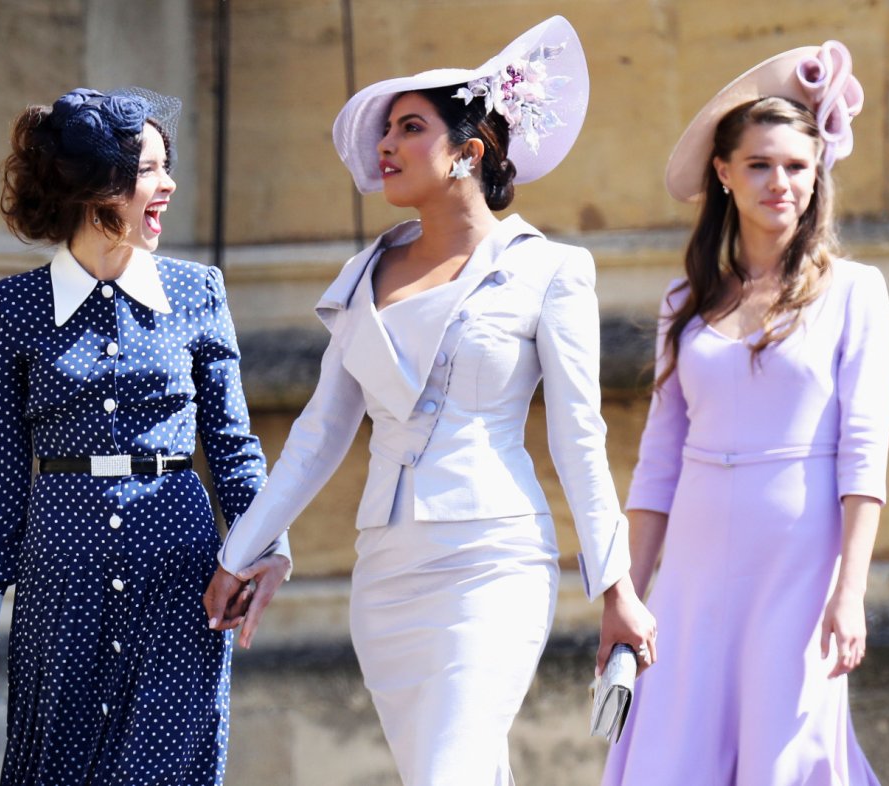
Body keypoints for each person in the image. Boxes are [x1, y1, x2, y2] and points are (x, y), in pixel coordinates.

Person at [203, 16, 655, 786]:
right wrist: (239, 554)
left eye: (409, 127)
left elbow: (581, 438)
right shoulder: (362, 273)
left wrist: (618, 592)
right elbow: (319, 434)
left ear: (467, 152)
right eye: (385, 129)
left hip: (495, 560)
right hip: (385, 574)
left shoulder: (551, 270)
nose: (385, 144)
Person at [0, 86, 290, 785]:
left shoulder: (200, 292)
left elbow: (231, 445)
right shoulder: (11, 309)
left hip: (179, 576)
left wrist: (265, 547)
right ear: (95, 183)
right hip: (60, 578)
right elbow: (4, 474)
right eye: (148, 170)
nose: (168, 185)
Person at [601, 41, 889, 785]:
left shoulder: (857, 293)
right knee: (674, 752)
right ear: (723, 174)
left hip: (798, 560)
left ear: (817, 172)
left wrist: (849, 594)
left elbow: (865, 455)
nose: (780, 183)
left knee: (784, 753)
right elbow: (657, 463)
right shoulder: (684, 302)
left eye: (796, 165)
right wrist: (626, 597)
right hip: (692, 568)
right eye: (759, 164)